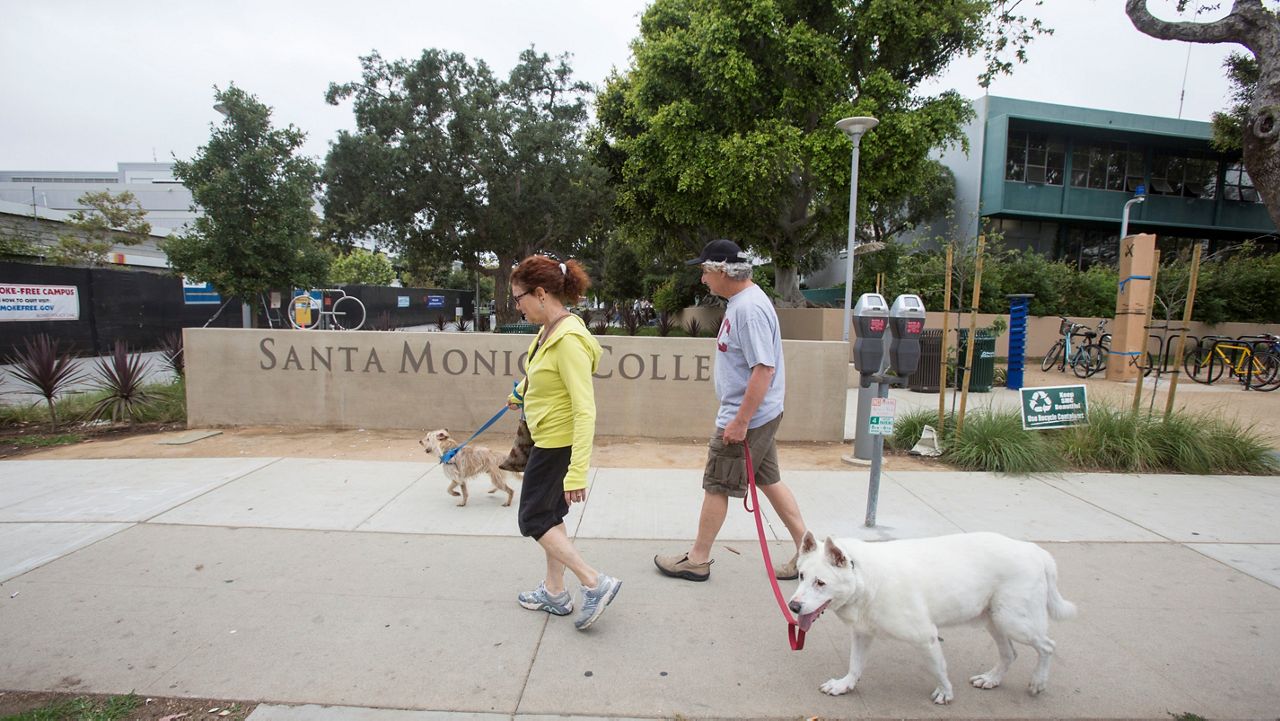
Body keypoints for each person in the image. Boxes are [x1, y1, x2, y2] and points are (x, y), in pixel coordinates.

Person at [654, 239, 809, 582]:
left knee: (717, 484)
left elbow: (763, 369)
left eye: (706, 271)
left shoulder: (748, 309)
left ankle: (697, 559)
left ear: (723, 270)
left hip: (746, 418)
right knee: (769, 480)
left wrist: (740, 421)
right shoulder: (744, 303)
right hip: (759, 416)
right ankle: (808, 553)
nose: (703, 279)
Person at [508, 255, 621, 630]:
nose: (518, 306)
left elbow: (585, 409)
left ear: (540, 293)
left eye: (519, 298)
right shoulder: (549, 331)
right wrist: (522, 391)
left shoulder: (569, 338)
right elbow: (542, 373)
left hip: (557, 444)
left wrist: (577, 473)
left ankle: (593, 581)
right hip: (546, 438)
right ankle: (555, 593)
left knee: (533, 518)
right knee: (550, 517)